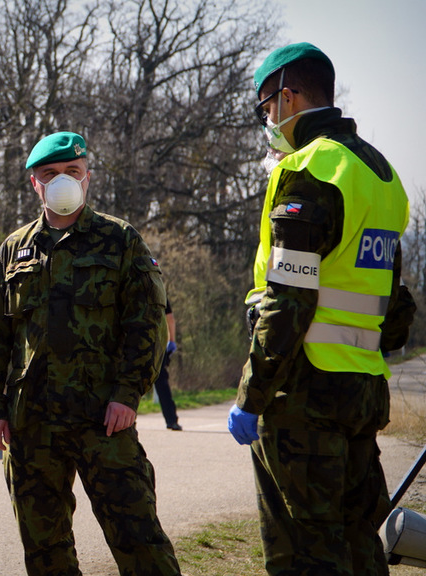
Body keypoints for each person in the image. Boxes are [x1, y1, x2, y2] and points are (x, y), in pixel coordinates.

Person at [228, 42, 416, 575]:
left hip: (302, 397)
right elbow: (396, 309)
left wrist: (252, 393)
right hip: (361, 392)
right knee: (360, 546)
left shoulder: (312, 169)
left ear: (287, 99)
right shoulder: (382, 176)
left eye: (267, 110)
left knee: (304, 555)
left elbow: (289, 299)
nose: (268, 122)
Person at [0, 131, 181, 576]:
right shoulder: (14, 249)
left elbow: (146, 322)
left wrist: (128, 393)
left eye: (72, 171)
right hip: (33, 423)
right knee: (45, 549)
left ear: (87, 177)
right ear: (35, 183)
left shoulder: (120, 240)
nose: (62, 180)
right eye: (50, 174)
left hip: (103, 418)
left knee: (138, 537)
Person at [153, 298, 181, 431]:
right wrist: (172, 340)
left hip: (135, 343)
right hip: (158, 345)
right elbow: (170, 318)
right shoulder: (159, 292)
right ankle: (171, 420)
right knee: (162, 383)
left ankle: (127, 421)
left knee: (130, 383)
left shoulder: (130, 286)